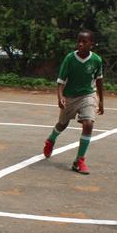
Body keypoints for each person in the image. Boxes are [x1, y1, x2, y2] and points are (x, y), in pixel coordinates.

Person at [42, 30, 105, 175]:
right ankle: (51, 139)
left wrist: (101, 100)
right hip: (70, 96)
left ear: (92, 44)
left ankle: (79, 161)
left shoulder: (96, 60)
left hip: (87, 95)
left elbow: (99, 80)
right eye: (79, 41)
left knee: (88, 123)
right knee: (62, 125)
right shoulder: (70, 58)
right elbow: (60, 81)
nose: (80, 44)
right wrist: (60, 97)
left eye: (84, 42)